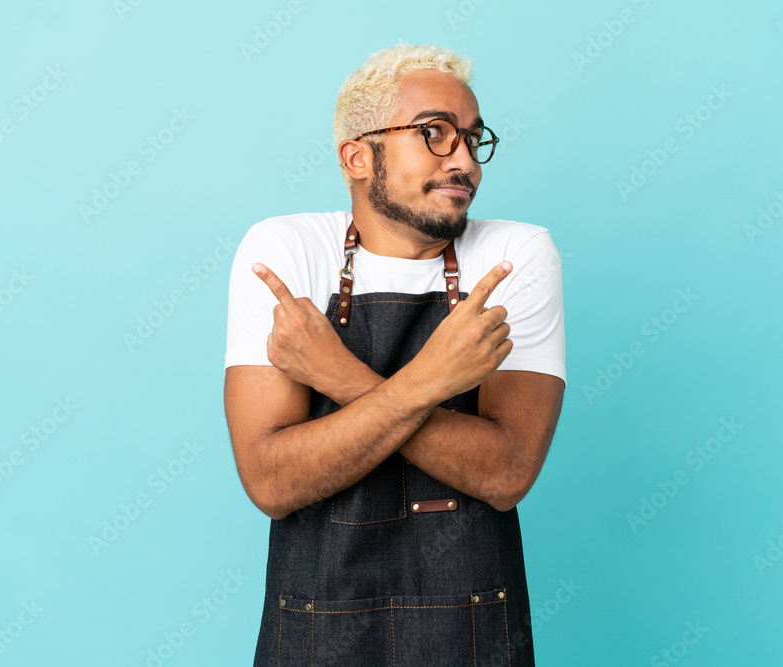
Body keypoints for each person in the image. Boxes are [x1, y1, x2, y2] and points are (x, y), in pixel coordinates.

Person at [223, 42, 565, 666]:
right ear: (358, 155)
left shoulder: (517, 255)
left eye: (471, 137)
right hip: (316, 621)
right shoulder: (284, 251)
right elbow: (272, 482)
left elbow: (506, 472)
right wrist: (429, 381)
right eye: (434, 133)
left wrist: (339, 376)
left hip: (473, 623)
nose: (463, 160)